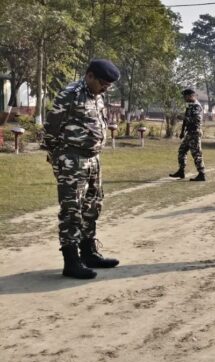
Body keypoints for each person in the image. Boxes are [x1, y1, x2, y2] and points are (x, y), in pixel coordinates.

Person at [41, 59, 122, 279]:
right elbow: (50, 130)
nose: (105, 87)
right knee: (71, 211)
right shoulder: (70, 94)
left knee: (92, 207)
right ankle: (71, 261)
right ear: (90, 76)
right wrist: (59, 160)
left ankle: (88, 253)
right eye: (103, 83)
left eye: (109, 85)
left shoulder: (97, 96)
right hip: (72, 160)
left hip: (93, 159)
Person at [169, 88, 206, 181]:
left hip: (195, 133)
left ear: (191, 96)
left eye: (185, 96)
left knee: (196, 154)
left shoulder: (196, 106)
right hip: (189, 133)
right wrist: (182, 132)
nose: (184, 98)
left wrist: (183, 117)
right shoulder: (190, 106)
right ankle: (181, 171)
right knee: (182, 150)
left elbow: (196, 120)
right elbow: (185, 120)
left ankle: (202, 174)